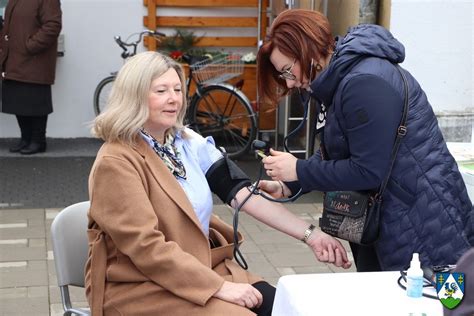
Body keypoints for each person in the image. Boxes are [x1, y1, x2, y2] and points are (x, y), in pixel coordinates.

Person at [86, 51, 351, 315]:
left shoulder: (185, 142)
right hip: (142, 286)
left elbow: (243, 194)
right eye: (161, 90)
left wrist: (311, 235)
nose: (173, 99)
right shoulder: (117, 161)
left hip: (199, 268)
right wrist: (217, 287)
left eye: (178, 89)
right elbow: (145, 248)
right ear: (134, 96)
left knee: (284, 307)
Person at [256, 9, 474, 272]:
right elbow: (341, 151)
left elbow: (367, 170)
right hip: (392, 218)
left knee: (448, 303)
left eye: (288, 70)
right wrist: (292, 182)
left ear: (308, 50)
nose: (289, 84)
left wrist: (300, 169)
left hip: (423, 220)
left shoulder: (364, 83)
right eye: (283, 75)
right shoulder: (341, 79)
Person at [0, 0, 62, 154]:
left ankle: (38, 141)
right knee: (18, 101)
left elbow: (52, 25)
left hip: (34, 60)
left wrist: (30, 45)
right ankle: (25, 139)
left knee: (36, 102)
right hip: (14, 59)